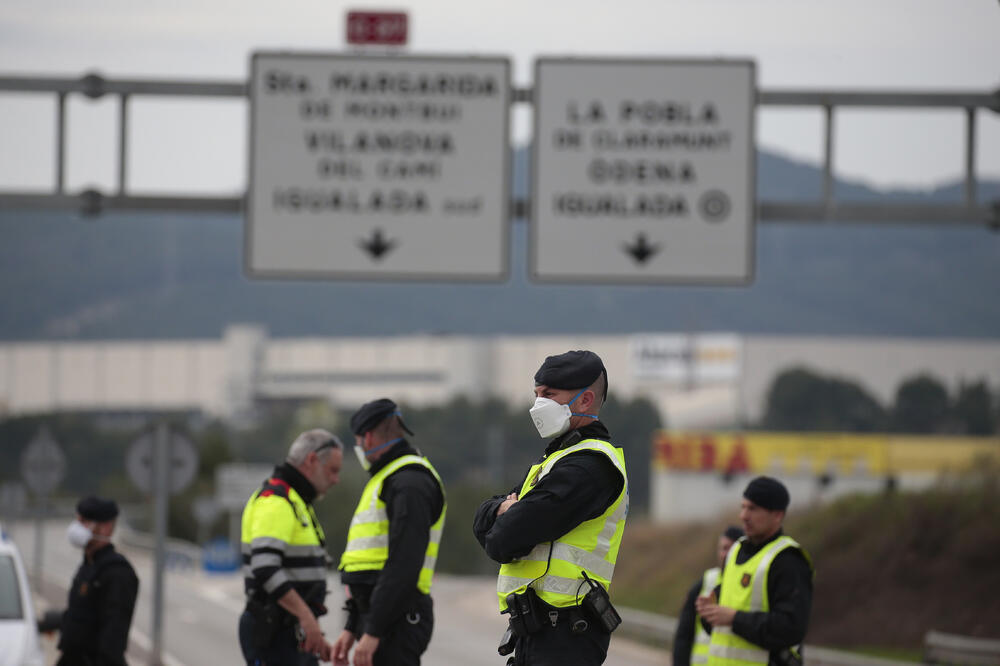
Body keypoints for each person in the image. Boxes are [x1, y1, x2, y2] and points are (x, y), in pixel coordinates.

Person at [473, 350, 628, 666]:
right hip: (539, 631)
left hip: (568, 634)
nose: (537, 405)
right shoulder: (556, 460)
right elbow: (483, 521)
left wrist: (506, 513)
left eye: (548, 395)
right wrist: (502, 509)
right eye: (536, 395)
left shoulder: (589, 468)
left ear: (585, 401)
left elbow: (504, 540)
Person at [332, 398, 446, 666]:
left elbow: (403, 565)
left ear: (368, 437)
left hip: (396, 621)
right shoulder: (388, 479)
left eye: (359, 441)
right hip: (379, 617)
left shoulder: (409, 483)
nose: (359, 447)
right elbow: (369, 569)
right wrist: (352, 627)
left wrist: (373, 631)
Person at [239, 429, 344, 666]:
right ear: (312, 460)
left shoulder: (296, 501)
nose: (336, 480)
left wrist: (312, 631)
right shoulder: (276, 501)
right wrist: (306, 618)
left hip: (289, 632)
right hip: (274, 632)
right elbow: (266, 567)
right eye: (333, 471)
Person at [696, 476, 814, 666]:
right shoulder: (736, 551)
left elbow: (790, 628)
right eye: (743, 507)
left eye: (753, 509)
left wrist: (734, 618)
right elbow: (725, 624)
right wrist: (709, 612)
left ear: (777, 515)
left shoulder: (788, 561)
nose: (743, 515)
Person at [56, 495, 139, 666]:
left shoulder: (117, 573)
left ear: (106, 528)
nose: (77, 527)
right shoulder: (89, 566)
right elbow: (81, 616)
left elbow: (113, 640)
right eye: (77, 520)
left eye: (84, 522)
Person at [673, 526, 745, 666]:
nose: (725, 554)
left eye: (730, 548)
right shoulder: (706, 582)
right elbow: (684, 635)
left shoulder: (748, 584)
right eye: (722, 548)